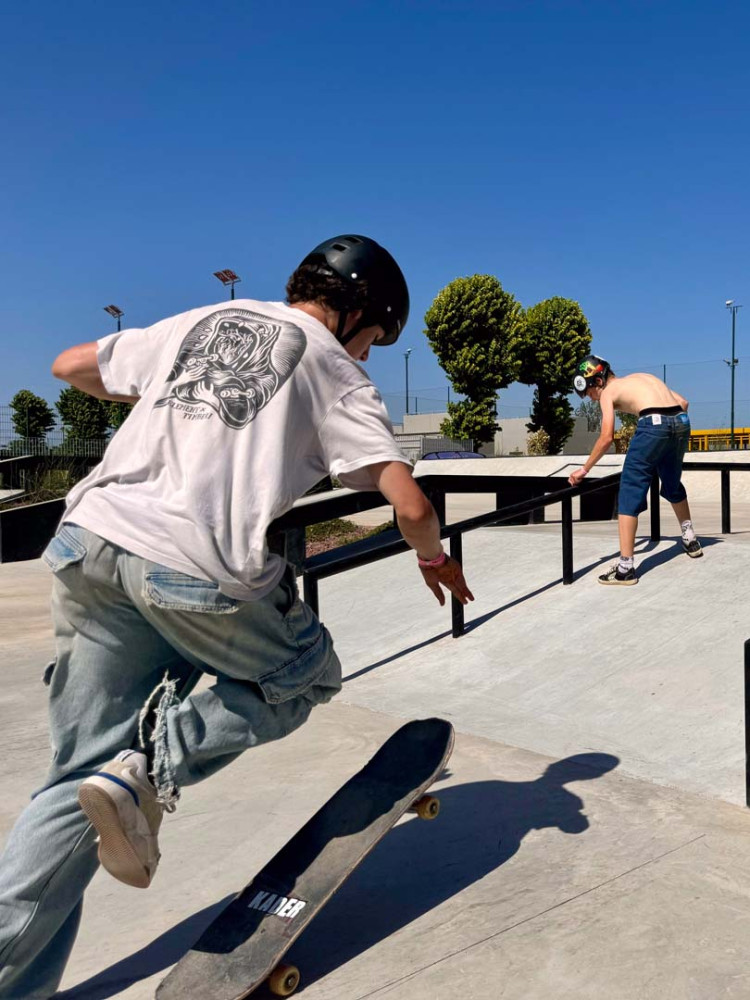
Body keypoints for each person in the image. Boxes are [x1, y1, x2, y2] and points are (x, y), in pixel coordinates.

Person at [0, 234, 473, 999]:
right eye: (375, 339)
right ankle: (150, 770)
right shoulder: (336, 368)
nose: (369, 354)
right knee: (305, 672)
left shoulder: (199, 323)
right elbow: (411, 504)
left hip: (88, 543)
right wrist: (432, 560)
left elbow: (71, 365)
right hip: (190, 565)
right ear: (357, 313)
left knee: (73, 784)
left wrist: (170, 403)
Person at [568, 355, 701, 585]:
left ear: (598, 381)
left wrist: (584, 469)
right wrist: (668, 436)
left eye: (589, 393)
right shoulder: (641, 377)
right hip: (680, 421)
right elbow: (684, 402)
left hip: (652, 424)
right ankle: (690, 538)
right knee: (671, 481)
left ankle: (625, 568)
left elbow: (606, 437)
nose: (591, 398)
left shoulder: (608, 392)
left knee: (630, 489)